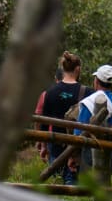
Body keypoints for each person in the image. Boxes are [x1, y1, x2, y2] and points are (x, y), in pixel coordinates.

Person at [40, 51, 93, 185]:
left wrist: (43, 146)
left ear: (63, 69)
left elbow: (44, 123)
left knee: (57, 183)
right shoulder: (88, 93)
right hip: (78, 148)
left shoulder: (50, 92)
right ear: (78, 69)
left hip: (55, 145)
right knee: (75, 185)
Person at [76, 64, 112, 177]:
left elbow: (78, 133)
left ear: (96, 81)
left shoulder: (89, 102)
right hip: (111, 153)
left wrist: (73, 156)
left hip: (89, 155)